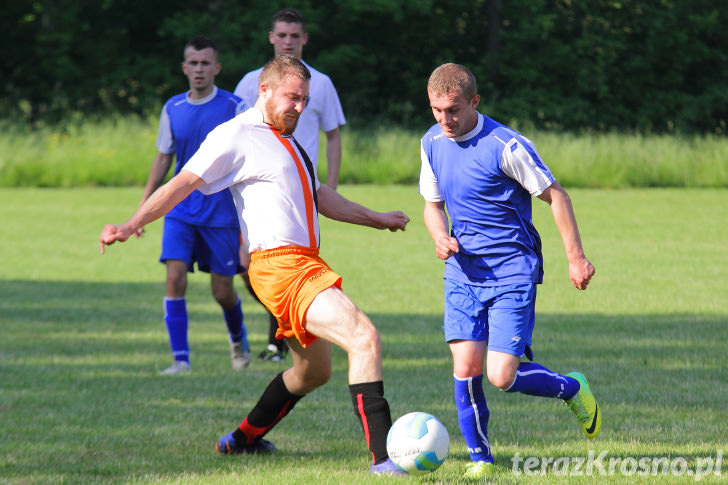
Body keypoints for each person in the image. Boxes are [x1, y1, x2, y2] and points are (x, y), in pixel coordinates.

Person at [100, 55, 410, 476]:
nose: (299, 107)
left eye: (304, 100)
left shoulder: (289, 139)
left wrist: (378, 218)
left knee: (312, 372)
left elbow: (321, 196)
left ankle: (242, 439)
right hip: (281, 268)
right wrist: (132, 222)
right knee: (363, 336)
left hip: (302, 264)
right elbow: (183, 182)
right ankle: (384, 461)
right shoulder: (236, 134)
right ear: (264, 90)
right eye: (291, 98)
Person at [419, 63, 601, 480]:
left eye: (453, 109)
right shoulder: (430, 142)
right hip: (462, 273)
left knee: (501, 376)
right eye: (436, 110)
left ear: (474, 102)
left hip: (512, 273)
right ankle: (480, 459)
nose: (445, 120)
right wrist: (439, 236)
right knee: (465, 370)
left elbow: (556, 196)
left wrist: (576, 258)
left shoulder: (507, 145)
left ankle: (572, 388)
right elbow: (432, 205)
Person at [234, 8, 347, 363]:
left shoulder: (321, 84)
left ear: (304, 39)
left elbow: (333, 136)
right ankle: (288, 328)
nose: (287, 42)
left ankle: (278, 342)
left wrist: (329, 187)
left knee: (287, 264)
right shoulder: (252, 82)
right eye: (281, 35)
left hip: (301, 193)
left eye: (294, 36)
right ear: (271, 38)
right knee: (246, 267)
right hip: (257, 191)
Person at [138, 36, 250, 375]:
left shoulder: (235, 107)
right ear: (184, 67)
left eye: (205, 63)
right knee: (174, 278)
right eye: (193, 62)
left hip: (221, 213)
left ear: (216, 68)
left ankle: (238, 341)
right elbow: (163, 158)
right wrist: (144, 208)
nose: (199, 69)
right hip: (180, 209)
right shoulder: (172, 108)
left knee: (222, 290)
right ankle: (180, 359)